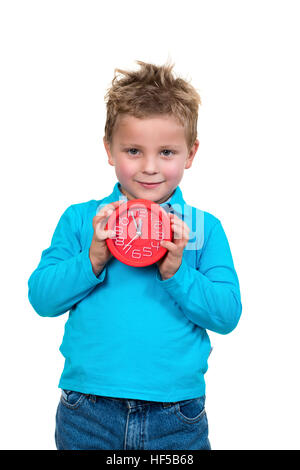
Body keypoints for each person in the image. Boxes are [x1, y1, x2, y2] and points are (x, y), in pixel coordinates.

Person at [28, 60, 242, 450]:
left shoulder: (200, 228)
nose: (149, 167)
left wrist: (177, 273)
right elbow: (41, 299)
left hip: (177, 413)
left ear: (190, 153)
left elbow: (227, 315)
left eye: (166, 152)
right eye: (132, 150)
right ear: (109, 149)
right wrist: (92, 259)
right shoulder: (82, 220)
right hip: (88, 410)